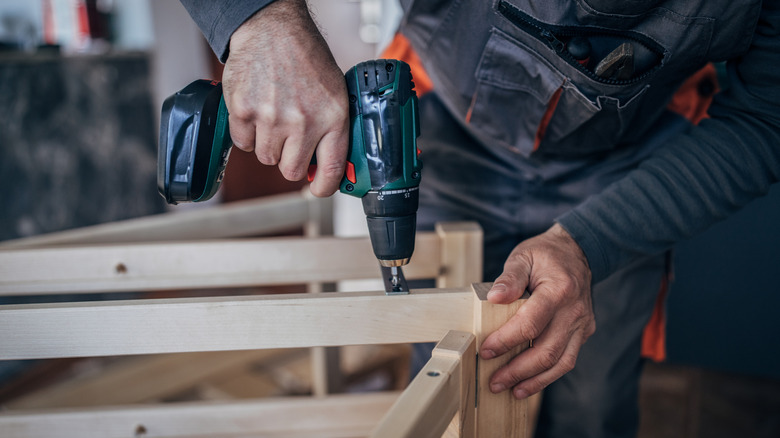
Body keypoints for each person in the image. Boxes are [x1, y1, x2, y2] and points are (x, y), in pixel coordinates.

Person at [180, 1, 780, 436]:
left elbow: (766, 120)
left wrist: (593, 241)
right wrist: (260, 22)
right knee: (448, 384)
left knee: (595, 405)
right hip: (445, 131)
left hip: (628, 166)